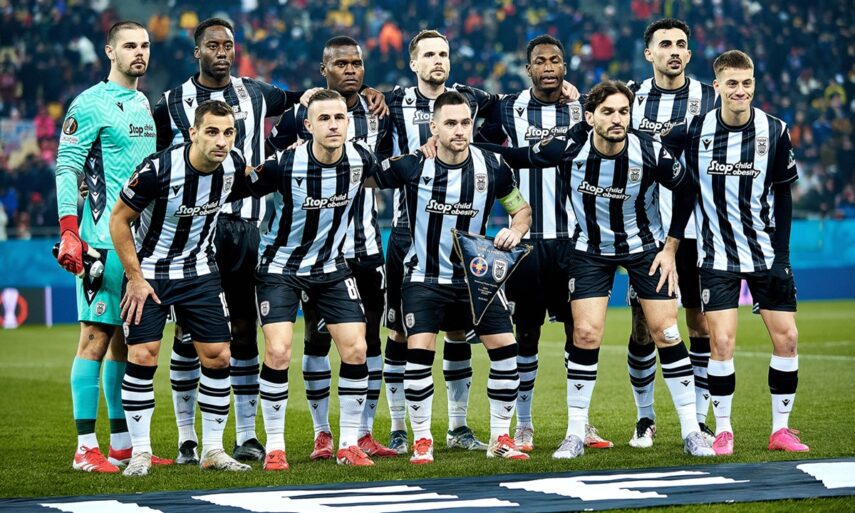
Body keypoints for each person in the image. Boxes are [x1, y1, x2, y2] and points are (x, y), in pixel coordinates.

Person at [152, 18, 389, 465]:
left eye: (228, 45)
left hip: (247, 229)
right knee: (188, 335)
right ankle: (188, 438)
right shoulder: (169, 103)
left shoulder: (257, 93)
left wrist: (368, 92)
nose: (222, 52)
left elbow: (312, 97)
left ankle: (248, 436)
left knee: (243, 331)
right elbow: (154, 156)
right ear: (197, 52)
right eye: (213, 45)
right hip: (196, 229)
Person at [479, 80, 714, 459]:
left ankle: (692, 432)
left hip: (644, 249)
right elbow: (517, 156)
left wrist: (671, 248)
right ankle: (575, 434)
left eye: (623, 111)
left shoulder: (649, 151)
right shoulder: (569, 148)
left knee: (667, 332)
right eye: (607, 112)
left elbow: (687, 189)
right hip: (589, 251)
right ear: (589, 117)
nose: (617, 119)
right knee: (586, 334)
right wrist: (464, 145)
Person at [370, 90, 532, 464]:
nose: (459, 130)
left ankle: (500, 437)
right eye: (450, 123)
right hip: (424, 278)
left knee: (507, 351)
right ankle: (422, 439)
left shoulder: (492, 166)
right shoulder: (413, 165)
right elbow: (363, 177)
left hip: (476, 280)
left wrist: (516, 230)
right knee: (418, 354)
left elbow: (521, 210)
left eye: (465, 123)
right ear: (434, 127)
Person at [475, 34, 612, 452]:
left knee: (579, 333)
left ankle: (581, 424)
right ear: (528, 68)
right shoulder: (508, 108)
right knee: (526, 335)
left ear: (565, 67)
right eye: (540, 61)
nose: (548, 67)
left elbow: (617, 120)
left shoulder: (584, 107)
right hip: (526, 244)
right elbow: (476, 139)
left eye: (555, 60)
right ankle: (524, 424)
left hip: (575, 241)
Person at [267, 36, 396, 460]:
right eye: (341, 64)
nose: (351, 70)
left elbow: (388, 165)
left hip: (365, 245)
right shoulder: (301, 115)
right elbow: (269, 159)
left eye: (357, 63)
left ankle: (361, 434)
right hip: (314, 251)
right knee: (316, 339)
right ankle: (322, 432)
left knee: (368, 341)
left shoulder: (379, 112)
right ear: (324, 70)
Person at [109, 100, 252, 476]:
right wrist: (135, 278)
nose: (221, 141)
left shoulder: (233, 165)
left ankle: (213, 450)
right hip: (150, 274)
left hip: (200, 272)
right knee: (143, 356)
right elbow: (119, 220)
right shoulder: (157, 170)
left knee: (218, 356)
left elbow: (262, 177)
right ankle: (141, 453)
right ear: (193, 133)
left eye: (228, 133)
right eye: (212, 132)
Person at [54, 20, 171, 473]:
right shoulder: (89, 103)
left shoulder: (142, 102)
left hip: (139, 242)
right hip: (101, 241)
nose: (139, 52)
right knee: (95, 338)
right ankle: (85, 447)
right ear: (109, 51)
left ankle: (122, 444)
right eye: (129, 45)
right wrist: (69, 229)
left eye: (144, 45)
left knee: (125, 340)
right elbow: (68, 167)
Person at [248, 89, 384, 470]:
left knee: (356, 349)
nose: (333, 125)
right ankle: (275, 446)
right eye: (324, 118)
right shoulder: (284, 164)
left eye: (339, 118)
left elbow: (397, 173)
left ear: (349, 122)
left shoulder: (361, 159)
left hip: (330, 267)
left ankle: (348, 444)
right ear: (307, 125)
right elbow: (242, 184)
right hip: (281, 268)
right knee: (278, 352)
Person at [381, 29, 502, 454]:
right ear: (413, 63)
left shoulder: (470, 99)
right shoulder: (391, 102)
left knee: (458, 331)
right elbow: (379, 158)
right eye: (429, 54)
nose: (438, 60)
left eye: (444, 54)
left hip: (461, 237)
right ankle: (400, 426)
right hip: (408, 232)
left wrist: (568, 92)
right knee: (401, 332)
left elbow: (505, 109)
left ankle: (458, 426)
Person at [681, 50, 807, 455]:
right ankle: (723, 430)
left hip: (766, 254)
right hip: (716, 255)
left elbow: (784, 196)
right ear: (717, 86)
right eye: (732, 83)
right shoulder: (695, 131)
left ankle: (780, 431)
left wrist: (783, 258)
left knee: (788, 338)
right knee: (721, 342)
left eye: (747, 83)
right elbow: (679, 185)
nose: (740, 90)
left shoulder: (775, 130)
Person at [621, 18, 719, 449]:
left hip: (699, 231)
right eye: (665, 44)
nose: (674, 51)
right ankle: (645, 418)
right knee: (644, 328)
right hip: (645, 231)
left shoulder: (711, 97)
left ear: (689, 53)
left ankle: (698, 419)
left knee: (699, 324)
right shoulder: (631, 98)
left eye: (681, 44)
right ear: (649, 53)